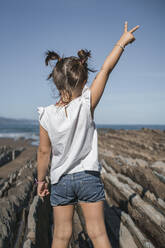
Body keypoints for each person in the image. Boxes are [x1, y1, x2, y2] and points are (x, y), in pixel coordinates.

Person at [36, 21, 140, 248]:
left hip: (61, 179)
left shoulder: (46, 115)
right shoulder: (86, 102)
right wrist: (122, 42)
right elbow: (105, 69)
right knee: (98, 235)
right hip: (88, 178)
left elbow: (44, 152)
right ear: (84, 82)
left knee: (61, 235)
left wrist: (41, 180)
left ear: (56, 83)